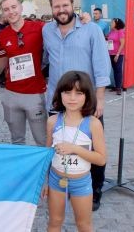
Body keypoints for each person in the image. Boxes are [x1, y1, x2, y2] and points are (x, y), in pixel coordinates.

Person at [43, 0, 111, 212]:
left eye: (65, 5)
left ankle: (95, 190)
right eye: (56, 6)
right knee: (58, 145)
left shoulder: (91, 30)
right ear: (51, 8)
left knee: (91, 145)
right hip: (57, 101)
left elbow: (102, 66)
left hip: (86, 102)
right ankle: (61, 184)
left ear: (73, 5)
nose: (61, 10)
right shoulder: (47, 31)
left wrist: (99, 100)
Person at [43, 71, 106, 232]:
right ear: (59, 94)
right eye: (67, 92)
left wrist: (75, 149)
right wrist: (44, 181)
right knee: (55, 222)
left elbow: (101, 159)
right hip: (56, 179)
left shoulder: (93, 124)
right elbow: (47, 154)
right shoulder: (52, 121)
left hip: (81, 182)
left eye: (78, 93)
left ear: (87, 96)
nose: (72, 98)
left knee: (83, 225)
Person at [0, 0, 47, 146]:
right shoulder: (2, 36)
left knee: (42, 140)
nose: (11, 12)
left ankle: (46, 170)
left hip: (35, 94)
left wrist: (81, 21)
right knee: (16, 141)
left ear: (21, 7)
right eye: (6, 9)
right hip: (11, 95)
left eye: (13, 7)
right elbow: (2, 60)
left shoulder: (40, 28)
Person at [107, 18, 125, 95]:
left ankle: (119, 88)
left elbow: (122, 43)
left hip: (118, 54)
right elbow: (108, 39)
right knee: (114, 70)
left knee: (118, 70)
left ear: (116, 24)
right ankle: (116, 86)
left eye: (112, 22)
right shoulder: (111, 31)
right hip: (110, 53)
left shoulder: (120, 31)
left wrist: (117, 54)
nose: (111, 23)